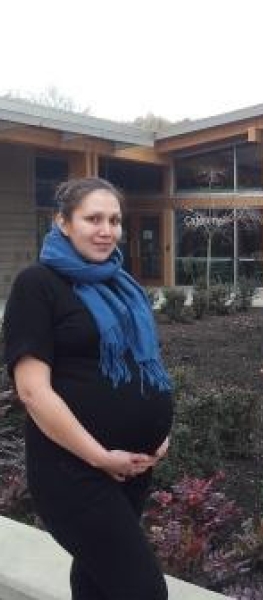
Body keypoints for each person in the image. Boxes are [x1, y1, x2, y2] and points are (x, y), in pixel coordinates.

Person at [3, 177, 173, 599]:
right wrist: (100, 457)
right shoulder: (36, 285)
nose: (107, 230)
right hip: (73, 470)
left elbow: (143, 361)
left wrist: (160, 430)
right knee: (144, 591)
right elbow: (33, 392)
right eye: (93, 218)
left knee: (96, 583)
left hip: (132, 467)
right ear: (62, 222)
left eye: (114, 220)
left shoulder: (121, 284)